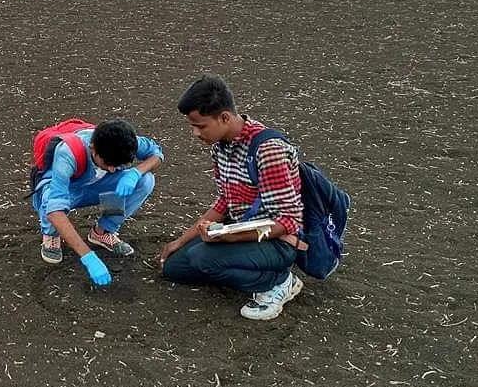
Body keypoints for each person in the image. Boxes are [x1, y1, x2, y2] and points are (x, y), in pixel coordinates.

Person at [160, 75, 305, 320]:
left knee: (202, 258)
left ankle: (278, 281)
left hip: (278, 242)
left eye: (200, 126)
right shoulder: (221, 146)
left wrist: (229, 237)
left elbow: (289, 220)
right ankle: (233, 265)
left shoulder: (268, 151)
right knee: (174, 267)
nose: (195, 133)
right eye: (192, 126)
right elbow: (225, 201)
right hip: (239, 231)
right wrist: (181, 240)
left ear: (224, 117)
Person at [32, 119, 163, 286]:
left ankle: (102, 232)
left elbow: (157, 153)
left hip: (96, 184)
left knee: (145, 180)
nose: (112, 170)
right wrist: (88, 256)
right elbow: (55, 209)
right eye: (108, 163)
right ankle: (50, 234)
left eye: (119, 165)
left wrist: (136, 173)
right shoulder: (68, 152)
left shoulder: (125, 141)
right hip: (69, 189)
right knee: (49, 198)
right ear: (93, 149)